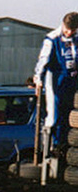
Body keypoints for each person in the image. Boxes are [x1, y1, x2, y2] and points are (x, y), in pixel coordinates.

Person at [33, 11, 78, 155]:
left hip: (73, 80)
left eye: (73, 30)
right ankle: (53, 146)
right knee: (55, 114)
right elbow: (42, 62)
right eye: (67, 29)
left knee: (71, 114)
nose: (69, 32)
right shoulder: (52, 39)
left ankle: (67, 144)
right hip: (56, 81)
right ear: (63, 25)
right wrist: (38, 79)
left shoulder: (76, 38)